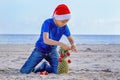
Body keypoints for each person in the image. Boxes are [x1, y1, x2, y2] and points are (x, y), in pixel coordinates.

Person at [20, 4, 77, 74]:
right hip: (40, 50)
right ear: (56, 18)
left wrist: (73, 44)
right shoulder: (47, 23)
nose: (64, 23)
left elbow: (71, 38)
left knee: (59, 71)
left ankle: (45, 66)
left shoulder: (64, 26)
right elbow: (46, 40)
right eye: (63, 21)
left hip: (52, 51)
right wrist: (61, 44)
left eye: (66, 21)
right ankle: (38, 67)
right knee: (24, 72)